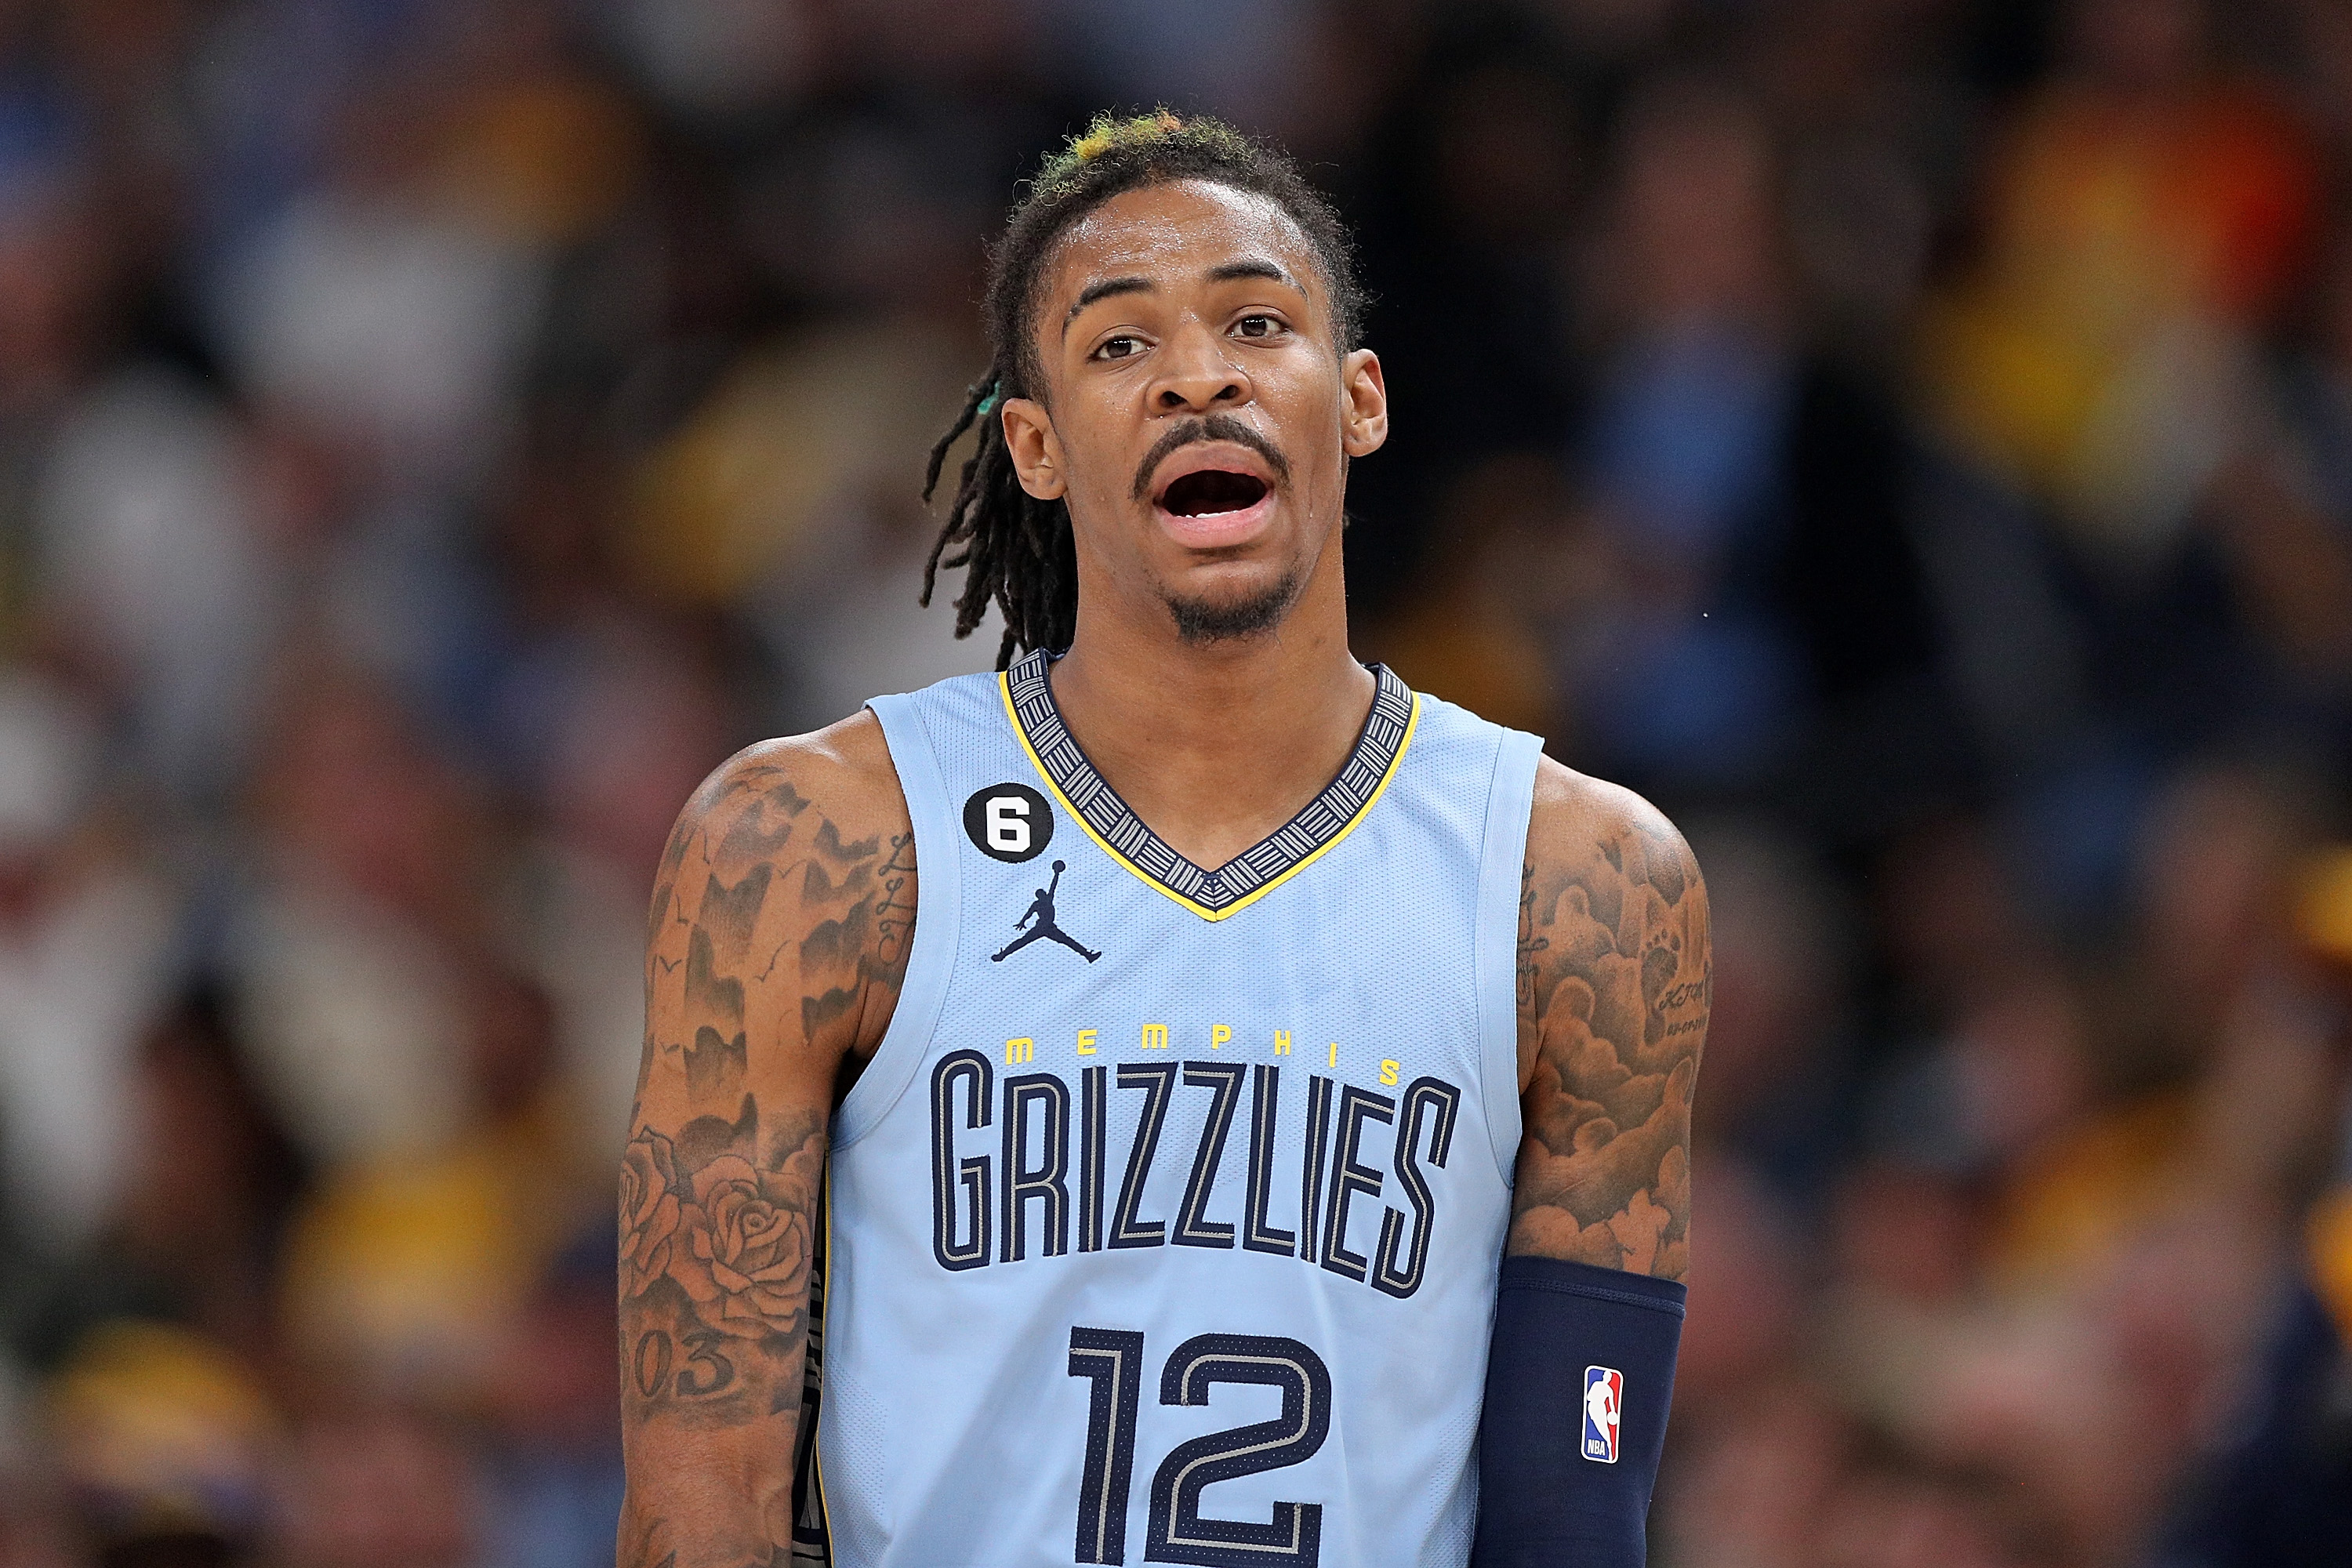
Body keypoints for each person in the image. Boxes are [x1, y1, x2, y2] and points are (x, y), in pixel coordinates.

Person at [620, 111, 1710, 1568]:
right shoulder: (812, 846)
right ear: (1036, 445)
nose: (1201, 374)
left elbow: (1576, 1505)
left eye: (1257, 321)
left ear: (1360, 400)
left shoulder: (1583, 886)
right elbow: (701, 1512)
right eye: (1120, 344)